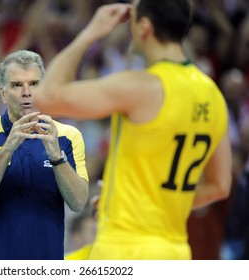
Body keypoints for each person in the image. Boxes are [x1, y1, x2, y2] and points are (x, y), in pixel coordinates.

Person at [33, 0, 232, 260]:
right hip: (174, 253)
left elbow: (47, 97)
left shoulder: (141, 87)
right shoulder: (213, 95)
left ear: (144, 27)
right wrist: (131, 199)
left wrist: (91, 32)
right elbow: (219, 186)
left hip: (125, 250)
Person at [0, 50, 89, 260]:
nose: (27, 92)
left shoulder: (68, 135)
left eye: (34, 84)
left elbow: (78, 202)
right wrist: (8, 148)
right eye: (17, 85)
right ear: (3, 94)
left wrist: (56, 156)